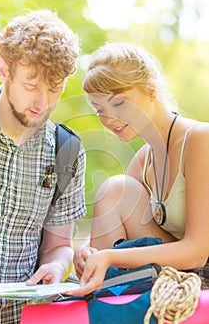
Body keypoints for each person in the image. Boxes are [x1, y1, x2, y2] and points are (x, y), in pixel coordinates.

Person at [0, 9, 86, 324]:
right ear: (3, 69)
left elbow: (59, 245)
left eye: (55, 88)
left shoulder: (67, 152)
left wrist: (56, 266)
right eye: (31, 85)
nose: (42, 102)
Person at [71, 42, 209, 296]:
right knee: (116, 189)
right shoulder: (144, 159)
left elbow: (198, 252)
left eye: (119, 104)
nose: (109, 119)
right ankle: (96, 295)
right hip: (171, 276)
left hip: (201, 278)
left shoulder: (200, 139)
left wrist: (110, 257)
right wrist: (90, 255)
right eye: (99, 109)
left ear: (151, 91)